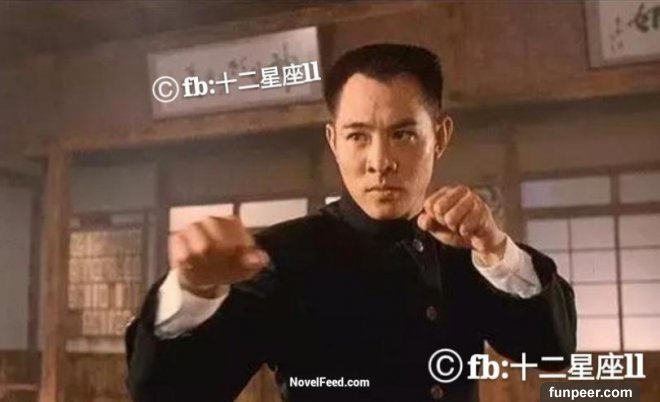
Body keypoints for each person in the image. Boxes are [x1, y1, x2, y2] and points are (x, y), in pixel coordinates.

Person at [125, 43, 576, 402]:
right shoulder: (282, 256)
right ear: (333, 141)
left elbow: (552, 350)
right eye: (358, 136)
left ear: (439, 137)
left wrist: (496, 248)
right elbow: (170, 393)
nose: (380, 162)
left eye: (403, 134)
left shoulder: (467, 247)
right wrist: (194, 291)